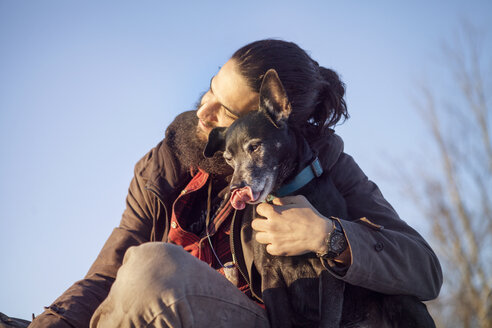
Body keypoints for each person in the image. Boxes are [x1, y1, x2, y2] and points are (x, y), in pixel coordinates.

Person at [29, 39, 442, 328]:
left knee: (154, 270)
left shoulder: (326, 166)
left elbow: (424, 270)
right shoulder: (168, 162)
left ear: (272, 114)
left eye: (224, 108)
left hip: (264, 317)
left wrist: (328, 235)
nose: (204, 112)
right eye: (211, 86)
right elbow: (107, 276)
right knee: (139, 269)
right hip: (154, 314)